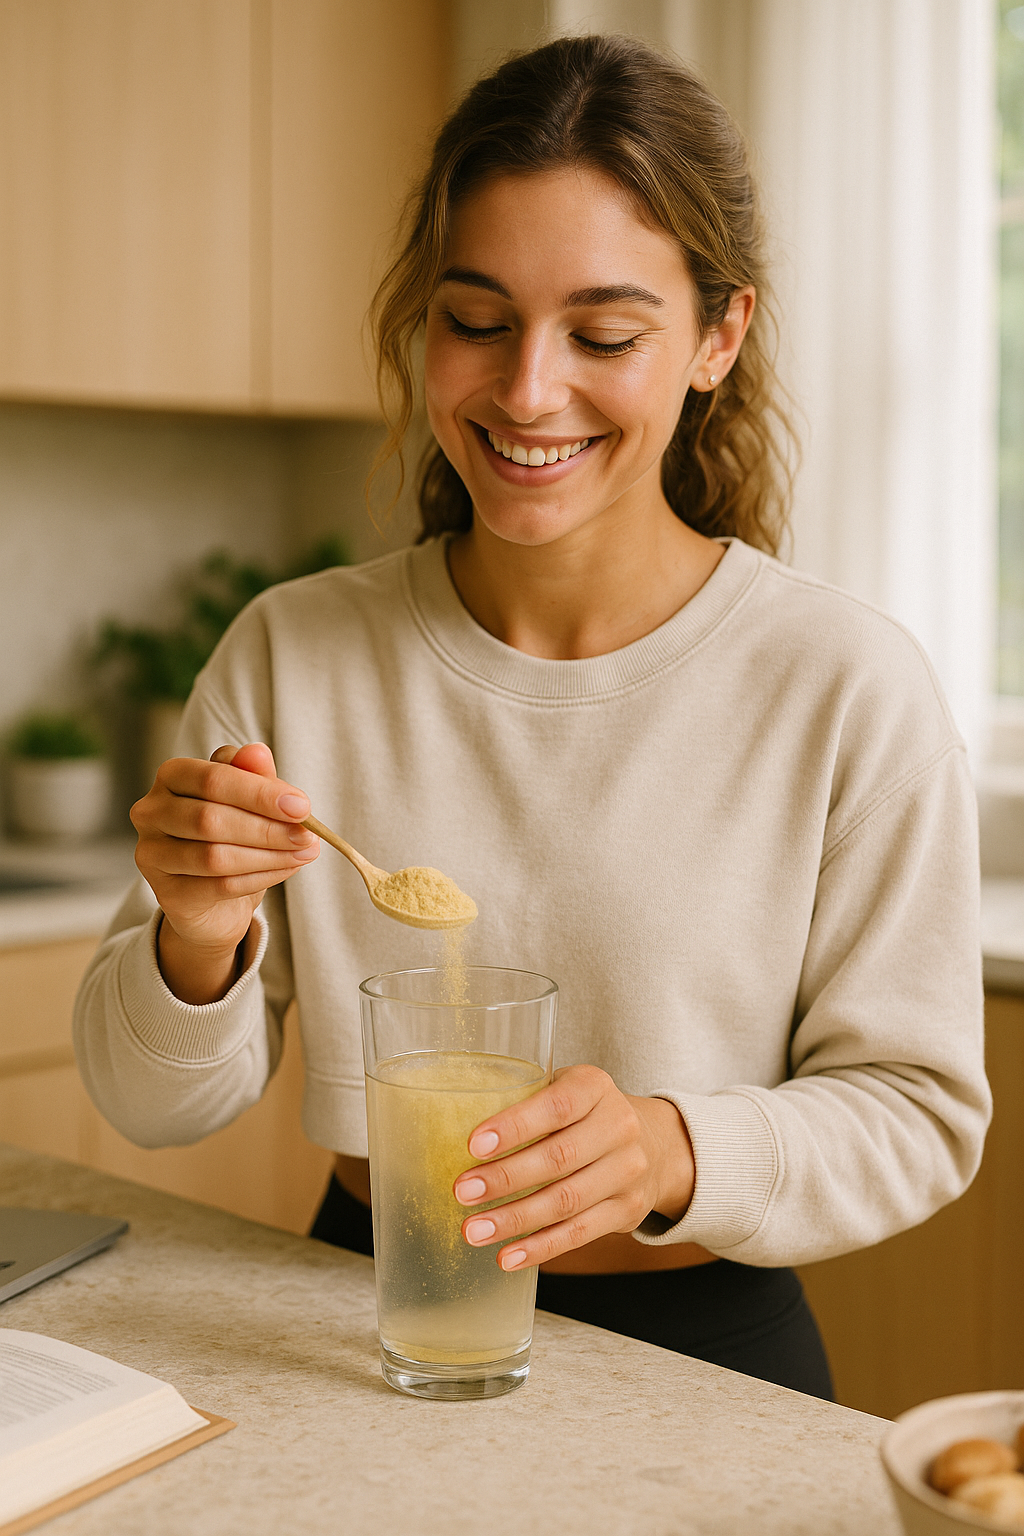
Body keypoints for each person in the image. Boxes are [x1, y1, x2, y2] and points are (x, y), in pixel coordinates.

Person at [73, 34, 989, 1401]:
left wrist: (677, 1148)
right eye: (477, 320)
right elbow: (151, 1100)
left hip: (707, 1355)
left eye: (604, 334)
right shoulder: (299, 653)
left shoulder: (843, 685)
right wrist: (197, 939)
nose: (527, 389)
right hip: (360, 1317)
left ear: (716, 339)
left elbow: (920, 1115)